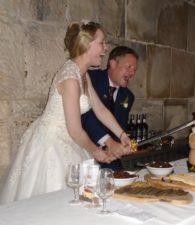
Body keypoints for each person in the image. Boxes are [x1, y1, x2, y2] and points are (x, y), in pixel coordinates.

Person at [0, 21, 132, 204]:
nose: (105, 48)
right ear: (87, 44)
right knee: (55, 202)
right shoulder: (70, 77)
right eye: (102, 43)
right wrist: (96, 151)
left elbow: (100, 109)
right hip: (51, 143)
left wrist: (122, 134)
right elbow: (76, 131)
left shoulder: (83, 74)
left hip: (69, 140)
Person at [81, 46, 138, 170]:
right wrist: (110, 143)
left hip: (109, 158)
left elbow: (120, 127)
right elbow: (86, 117)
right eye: (129, 67)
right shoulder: (90, 78)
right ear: (113, 63)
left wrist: (125, 146)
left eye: (134, 70)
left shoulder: (128, 96)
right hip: (83, 151)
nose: (132, 73)